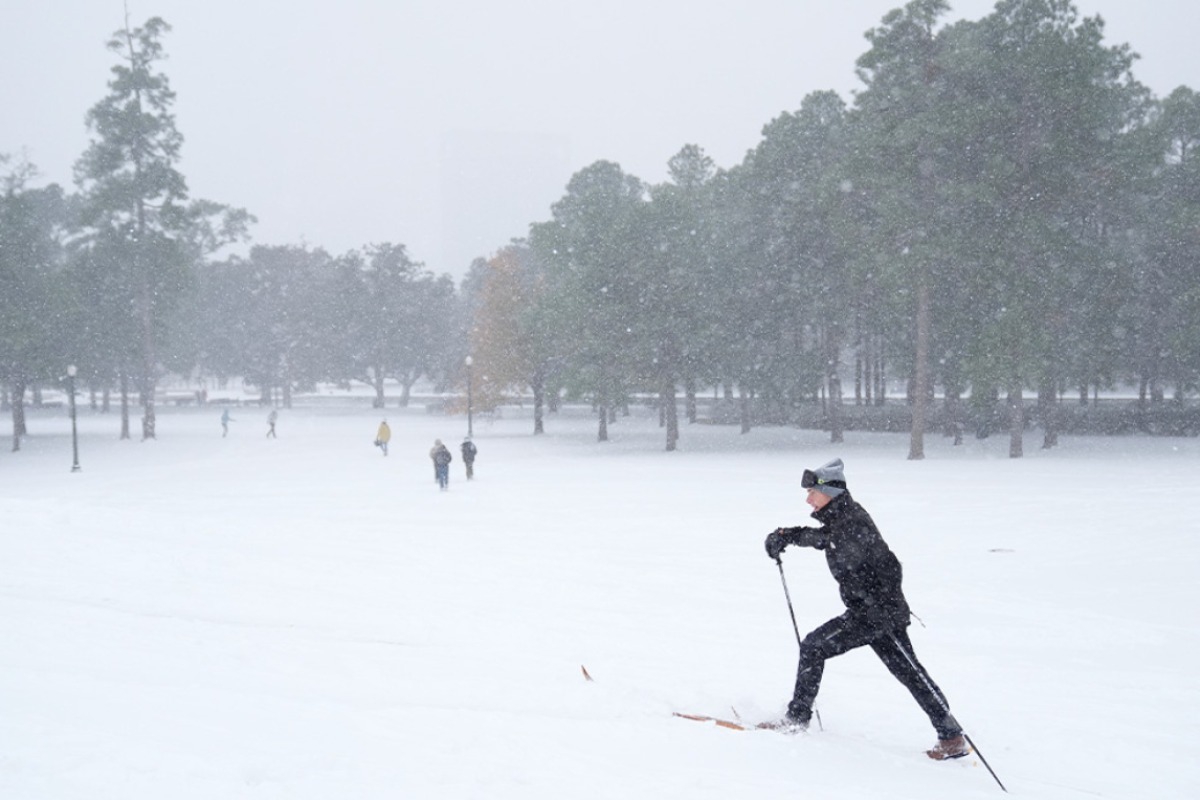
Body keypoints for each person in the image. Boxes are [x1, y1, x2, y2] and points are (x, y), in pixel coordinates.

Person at [763, 458, 969, 761]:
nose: (808, 499)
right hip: (871, 613)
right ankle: (951, 736)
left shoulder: (851, 522)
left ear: (830, 493)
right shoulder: (840, 518)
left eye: (812, 492)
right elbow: (827, 540)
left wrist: (792, 537)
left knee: (815, 646)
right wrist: (788, 536)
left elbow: (865, 556)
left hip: (875, 614)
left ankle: (796, 720)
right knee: (909, 672)